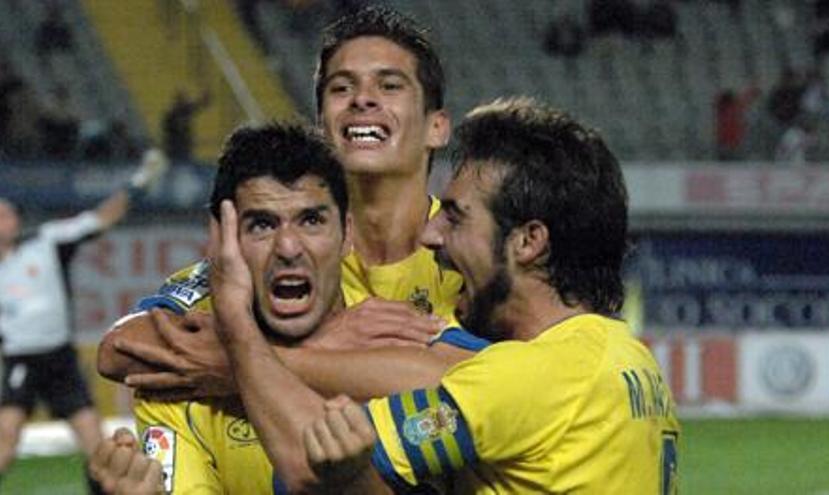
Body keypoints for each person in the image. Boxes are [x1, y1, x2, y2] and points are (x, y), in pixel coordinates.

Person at [210, 97, 681, 493]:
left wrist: (235, 327)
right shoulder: (630, 362)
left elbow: (308, 461)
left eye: (455, 216)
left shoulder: (532, 377)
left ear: (528, 241)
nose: (432, 233)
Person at [90, 121, 487, 494]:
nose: (289, 248)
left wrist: (251, 361)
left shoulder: (393, 323)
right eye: (262, 225)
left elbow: (486, 388)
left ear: (347, 232)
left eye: (311, 221)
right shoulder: (180, 376)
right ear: (222, 240)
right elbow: (118, 349)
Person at [0, 148, 167, 490]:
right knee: (6, 439)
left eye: (7, 213)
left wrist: (138, 184)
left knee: (94, 442)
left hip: (59, 357)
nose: (6, 218)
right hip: (21, 360)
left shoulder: (46, 243)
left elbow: (101, 218)